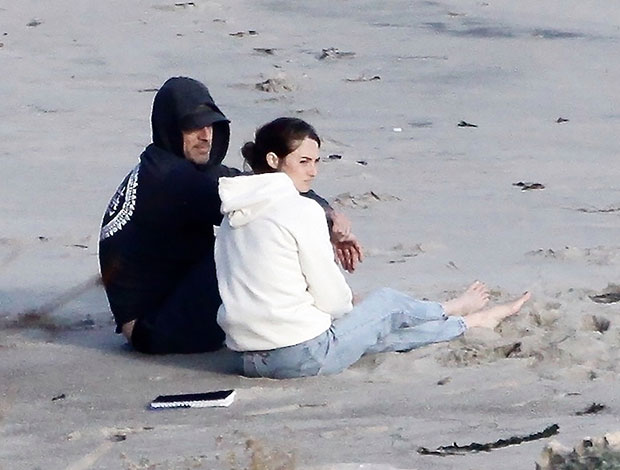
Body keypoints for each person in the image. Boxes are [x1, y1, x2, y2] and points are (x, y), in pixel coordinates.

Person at [214, 117, 531, 378]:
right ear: (274, 160)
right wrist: (352, 304)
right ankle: (450, 309)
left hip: (247, 359)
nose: (313, 171)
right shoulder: (301, 210)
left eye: (317, 162)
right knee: (386, 303)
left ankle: (470, 322)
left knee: (375, 331)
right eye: (304, 161)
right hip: (301, 356)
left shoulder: (233, 214)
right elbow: (333, 301)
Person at [99, 77, 359, 354]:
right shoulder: (171, 180)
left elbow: (256, 184)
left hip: (161, 306)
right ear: (170, 127)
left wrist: (328, 214)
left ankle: (301, 309)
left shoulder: (168, 163)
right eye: (193, 127)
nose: (206, 135)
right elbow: (270, 200)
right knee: (255, 231)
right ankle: (302, 317)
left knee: (254, 225)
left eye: (210, 125)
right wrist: (324, 221)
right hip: (152, 329)